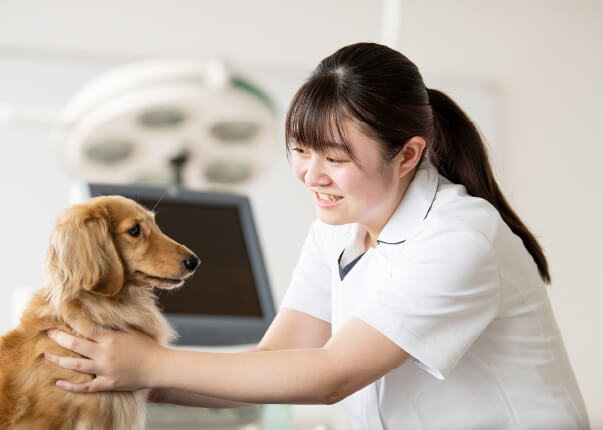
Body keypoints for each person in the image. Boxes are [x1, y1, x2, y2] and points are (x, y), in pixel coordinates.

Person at [45, 42, 590, 429]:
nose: (311, 176)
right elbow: (272, 363)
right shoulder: (337, 230)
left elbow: (331, 375)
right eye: (302, 153)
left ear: (407, 155)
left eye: (334, 158)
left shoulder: (459, 238)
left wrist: (150, 365)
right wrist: (129, 377)